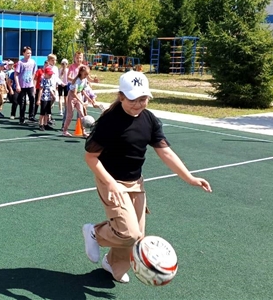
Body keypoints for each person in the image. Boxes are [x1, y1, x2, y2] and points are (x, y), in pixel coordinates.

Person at [82, 71, 212, 284]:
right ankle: (95, 232)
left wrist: (189, 178)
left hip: (136, 182)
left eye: (143, 99)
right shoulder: (109, 121)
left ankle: (112, 264)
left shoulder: (149, 119)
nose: (138, 104)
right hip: (111, 181)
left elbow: (165, 152)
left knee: (137, 237)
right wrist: (111, 184)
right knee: (129, 233)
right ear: (121, 96)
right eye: (133, 99)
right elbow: (91, 158)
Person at [14, 46, 37, 124]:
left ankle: (31, 116)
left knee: (32, 99)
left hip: (30, 85)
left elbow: (34, 73)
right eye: (27, 53)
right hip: (22, 85)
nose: (29, 55)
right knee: (22, 101)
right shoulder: (20, 63)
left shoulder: (33, 62)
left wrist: (33, 83)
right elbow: (16, 74)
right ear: (23, 53)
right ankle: (22, 118)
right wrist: (17, 85)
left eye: (30, 53)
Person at [36, 66, 56, 131]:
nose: (50, 75)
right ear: (45, 74)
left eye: (51, 74)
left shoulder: (49, 80)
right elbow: (41, 90)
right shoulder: (43, 80)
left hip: (48, 98)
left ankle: (46, 124)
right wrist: (39, 99)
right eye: (49, 74)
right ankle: (41, 124)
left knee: (47, 112)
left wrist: (53, 95)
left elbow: (50, 89)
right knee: (42, 113)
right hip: (44, 98)